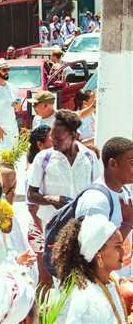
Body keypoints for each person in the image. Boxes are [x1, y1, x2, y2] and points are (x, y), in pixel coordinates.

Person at [27, 110, 103, 231]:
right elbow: (31, 195)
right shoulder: (43, 158)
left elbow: (97, 191)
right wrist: (52, 200)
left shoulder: (89, 157)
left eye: (59, 139)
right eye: (52, 137)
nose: (53, 142)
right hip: (54, 224)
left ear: (74, 136)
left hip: (82, 224)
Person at [75, 137, 133, 277]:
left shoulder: (125, 192)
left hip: (120, 280)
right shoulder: (95, 200)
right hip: (102, 281)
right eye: (132, 162)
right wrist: (127, 223)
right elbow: (92, 250)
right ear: (113, 164)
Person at [52, 215, 126, 323]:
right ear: (98, 254)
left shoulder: (111, 281)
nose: (123, 251)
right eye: (118, 246)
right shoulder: (83, 295)